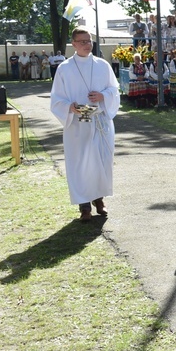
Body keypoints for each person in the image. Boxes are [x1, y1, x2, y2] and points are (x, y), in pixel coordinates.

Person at [50, 28, 120, 222]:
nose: (87, 44)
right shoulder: (64, 68)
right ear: (73, 44)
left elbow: (115, 90)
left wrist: (102, 96)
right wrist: (69, 107)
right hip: (77, 125)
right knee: (80, 164)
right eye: (82, 41)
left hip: (99, 121)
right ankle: (84, 206)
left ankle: (99, 200)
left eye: (89, 41)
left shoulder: (102, 65)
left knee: (100, 162)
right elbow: (56, 99)